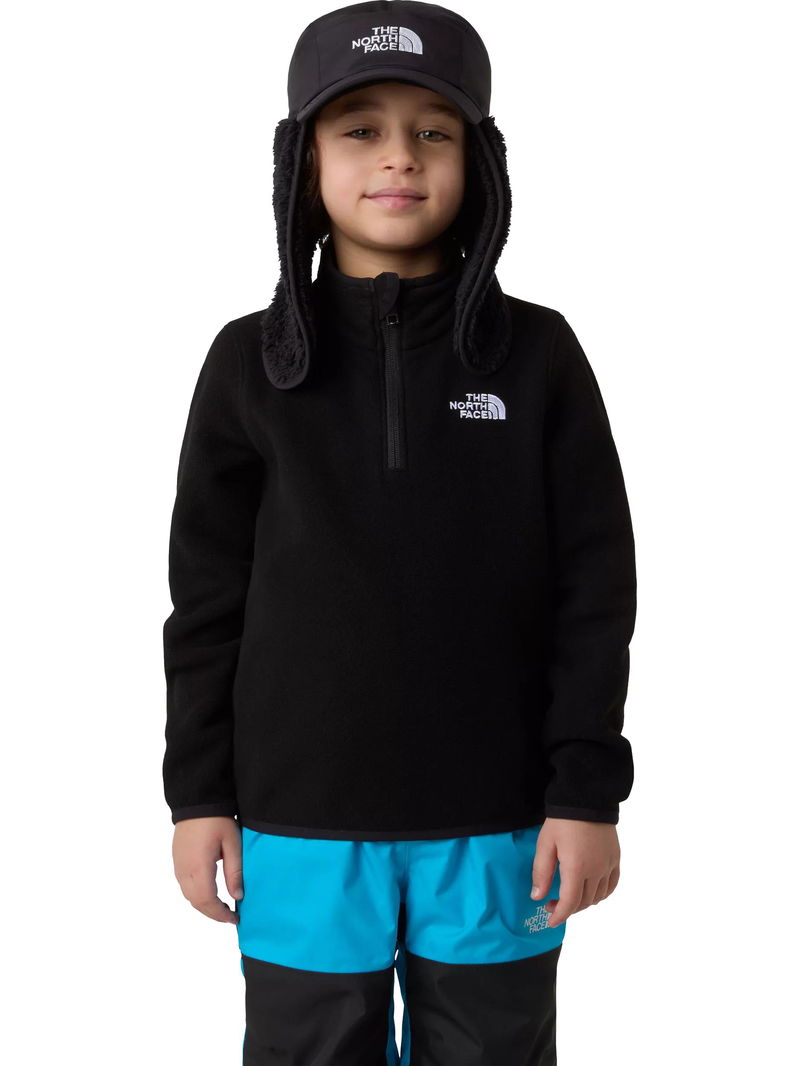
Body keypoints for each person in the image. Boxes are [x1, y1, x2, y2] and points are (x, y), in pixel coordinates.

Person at [162, 3, 637, 1064]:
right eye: (359, 129)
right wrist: (198, 795)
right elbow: (206, 603)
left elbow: (595, 591)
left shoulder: (540, 357)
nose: (399, 158)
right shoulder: (246, 366)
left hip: (501, 823)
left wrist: (585, 792)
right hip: (296, 825)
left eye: (433, 131)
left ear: (481, 163)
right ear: (303, 163)